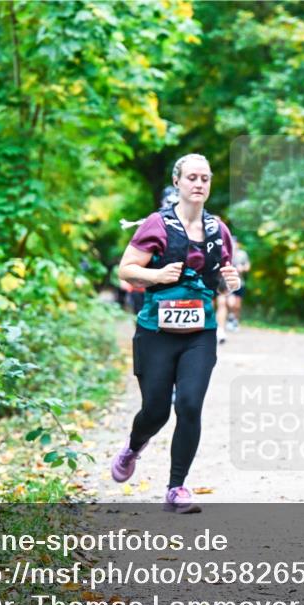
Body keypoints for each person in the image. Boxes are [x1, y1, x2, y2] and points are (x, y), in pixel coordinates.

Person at [112, 153, 240, 514]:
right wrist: (156, 276)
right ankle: (134, 448)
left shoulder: (218, 230)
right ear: (177, 183)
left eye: (205, 178)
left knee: (188, 404)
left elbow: (222, 280)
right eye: (192, 178)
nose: (199, 184)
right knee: (155, 411)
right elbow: (125, 270)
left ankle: (176, 487)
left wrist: (232, 282)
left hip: (200, 332)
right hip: (156, 331)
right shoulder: (156, 224)